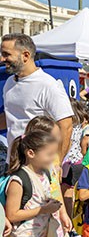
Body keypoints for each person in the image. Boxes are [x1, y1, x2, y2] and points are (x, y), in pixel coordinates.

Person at [0, 33, 74, 163]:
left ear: (25, 56)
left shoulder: (48, 85)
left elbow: (66, 125)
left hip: (38, 166)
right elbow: (11, 117)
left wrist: (57, 163)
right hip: (12, 162)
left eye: (6, 54)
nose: (2, 59)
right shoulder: (9, 83)